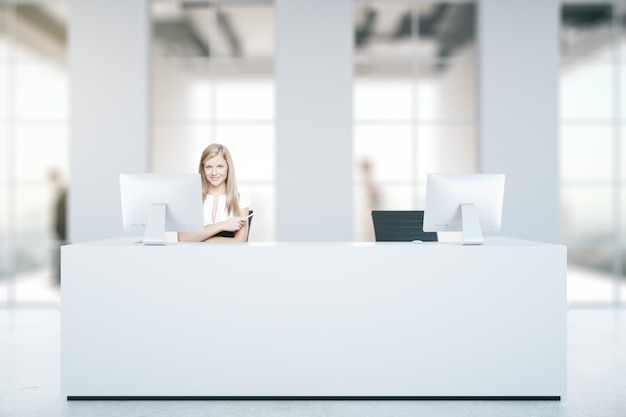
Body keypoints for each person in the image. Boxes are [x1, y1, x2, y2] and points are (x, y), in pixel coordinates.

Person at [178, 143, 251, 242]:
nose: (214, 173)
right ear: (203, 169)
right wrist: (224, 225)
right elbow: (183, 238)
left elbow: (239, 242)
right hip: (196, 257)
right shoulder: (191, 199)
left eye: (220, 166)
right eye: (209, 167)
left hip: (229, 257)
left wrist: (201, 239)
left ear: (228, 168)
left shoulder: (241, 199)